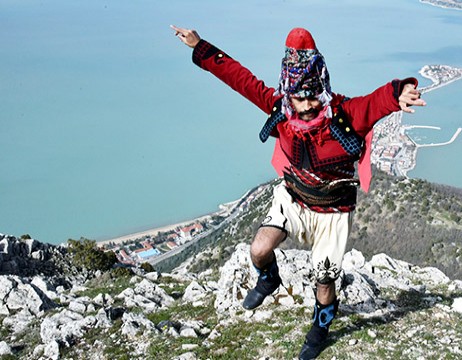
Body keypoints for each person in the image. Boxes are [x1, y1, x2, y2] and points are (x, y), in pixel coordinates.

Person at [171, 25, 425, 359]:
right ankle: (269, 278)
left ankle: (320, 328)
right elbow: (241, 80)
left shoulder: (344, 115)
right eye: (298, 95)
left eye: (310, 95)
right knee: (259, 248)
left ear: (322, 88)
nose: (305, 104)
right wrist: (202, 47)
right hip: (293, 196)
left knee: (324, 281)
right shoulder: (281, 111)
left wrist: (399, 91)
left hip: (333, 212)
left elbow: (375, 102)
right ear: (288, 92)